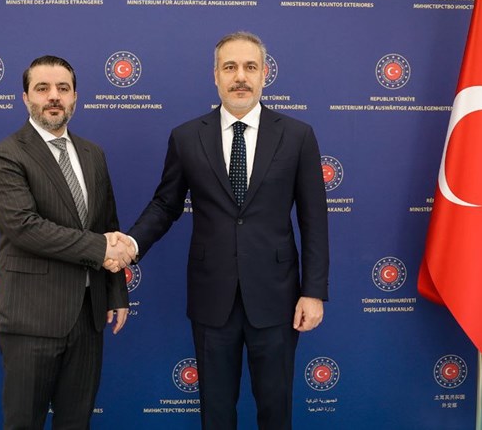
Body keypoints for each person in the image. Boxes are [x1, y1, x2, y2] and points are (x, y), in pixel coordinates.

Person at [125, 32, 329, 429]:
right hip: (211, 298)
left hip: (277, 298)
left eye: (250, 67)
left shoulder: (297, 136)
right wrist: (131, 243)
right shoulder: (186, 137)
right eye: (230, 67)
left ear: (265, 74)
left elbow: (314, 219)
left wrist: (313, 291)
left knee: (276, 410)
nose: (240, 77)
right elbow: (165, 205)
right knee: (216, 413)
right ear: (215, 75)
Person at [0, 55, 133, 429]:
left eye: (63, 89)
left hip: (88, 315)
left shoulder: (93, 154)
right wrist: (101, 249)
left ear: (75, 97)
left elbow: (108, 224)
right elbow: (25, 228)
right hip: (30, 316)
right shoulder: (5, 155)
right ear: (25, 98)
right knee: (24, 423)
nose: (54, 96)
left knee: (76, 423)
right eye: (43, 88)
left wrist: (116, 293)